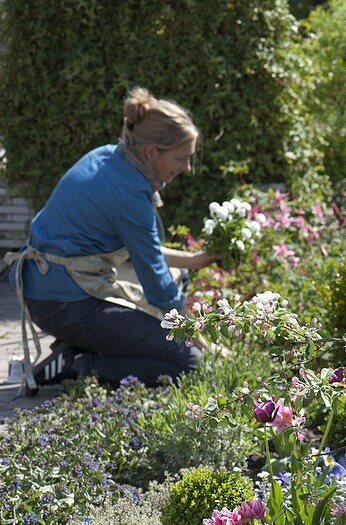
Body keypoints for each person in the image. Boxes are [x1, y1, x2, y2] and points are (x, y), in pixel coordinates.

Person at [5, 87, 218, 393]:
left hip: (47, 293)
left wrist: (196, 260)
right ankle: (79, 366)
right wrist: (199, 338)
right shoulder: (129, 191)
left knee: (153, 337)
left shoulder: (108, 158)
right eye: (181, 159)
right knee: (189, 361)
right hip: (68, 304)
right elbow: (157, 284)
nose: (186, 168)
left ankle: (82, 351)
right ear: (151, 152)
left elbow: (143, 250)